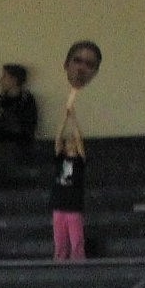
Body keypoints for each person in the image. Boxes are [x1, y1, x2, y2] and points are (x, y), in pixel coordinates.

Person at [52, 109, 87, 262]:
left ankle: (78, 262)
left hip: (73, 207)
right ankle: (59, 262)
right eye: (69, 141)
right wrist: (64, 121)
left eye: (72, 141)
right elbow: (58, 140)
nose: (71, 142)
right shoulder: (60, 158)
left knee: (76, 241)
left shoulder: (79, 160)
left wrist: (74, 120)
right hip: (59, 206)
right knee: (60, 242)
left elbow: (80, 141)